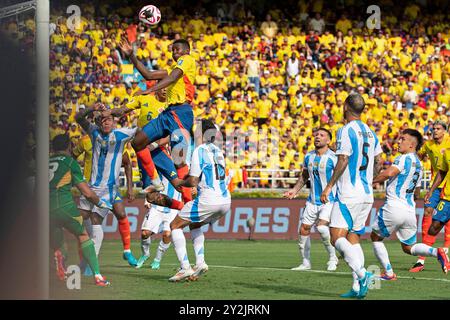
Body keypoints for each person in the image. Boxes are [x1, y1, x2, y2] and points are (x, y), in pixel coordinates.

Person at [147, 119, 231, 282]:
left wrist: (180, 182)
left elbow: (192, 181)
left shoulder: (199, 150)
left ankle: (184, 267)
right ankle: (200, 263)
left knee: (174, 226)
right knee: (194, 224)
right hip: (225, 201)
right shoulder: (218, 152)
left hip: (209, 200)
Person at [119, 36, 195, 205]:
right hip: (168, 113)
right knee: (138, 142)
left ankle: (189, 204)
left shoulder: (188, 60)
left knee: (178, 161)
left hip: (181, 112)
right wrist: (132, 55)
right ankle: (155, 181)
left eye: (178, 50)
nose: (174, 53)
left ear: (186, 51)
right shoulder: (171, 69)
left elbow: (173, 78)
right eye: (173, 50)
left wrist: (151, 90)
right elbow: (147, 74)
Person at [320, 93, 383, 299]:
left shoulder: (346, 130)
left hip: (349, 193)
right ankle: (357, 287)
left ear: (346, 106)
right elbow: (379, 162)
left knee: (336, 237)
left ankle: (364, 275)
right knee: (353, 238)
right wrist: (370, 180)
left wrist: (329, 186)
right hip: (366, 194)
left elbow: (343, 160)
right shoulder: (371, 133)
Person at [370, 129, 450, 280]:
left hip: (393, 206)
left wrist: (369, 182)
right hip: (409, 211)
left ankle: (388, 273)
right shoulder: (419, 165)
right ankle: (437, 251)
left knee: (375, 237)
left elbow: (389, 173)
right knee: (408, 247)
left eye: (402, 139)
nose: (398, 142)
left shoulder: (403, 158)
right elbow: (416, 192)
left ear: (412, 145)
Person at [75, 103, 138, 267]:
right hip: (90, 187)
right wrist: (91, 107)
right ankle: (83, 259)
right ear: (98, 121)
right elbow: (78, 119)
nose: (106, 122)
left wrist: (130, 187)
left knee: (120, 214)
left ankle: (126, 251)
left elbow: (127, 162)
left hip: (109, 189)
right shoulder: (90, 135)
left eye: (109, 119)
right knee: (78, 224)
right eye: (103, 120)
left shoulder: (120, 137)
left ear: (114, 121)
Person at [50, 134, 110, 286]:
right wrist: (100, 203)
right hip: (64, 205)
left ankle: (60, 263)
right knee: (83, 235)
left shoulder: (45, 162)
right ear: (69, 147)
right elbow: (87, 192)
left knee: (58, 241)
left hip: (45, 208)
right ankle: (97, 276)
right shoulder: (70, 163)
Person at [284, 128, 339, 271]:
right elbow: (304, 176)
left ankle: (333, 258)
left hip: (329, 200)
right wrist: (294, 190)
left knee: (321, 227)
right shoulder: (308, 156)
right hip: (312, 200)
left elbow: (340, 178)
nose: (317, 137)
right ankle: (305, 262)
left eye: (322, 135)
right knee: (303, 229)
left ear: (328, 140)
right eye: (316, 135)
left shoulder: (334, 158)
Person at [409, 121, 450, 273]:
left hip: (447, 187)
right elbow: (418, 157)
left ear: (445, 131)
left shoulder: (448, 144)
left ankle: (445, 249)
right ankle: (421, 259)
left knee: (442, 220)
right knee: (427, 212)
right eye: (433, 129)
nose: (435, 131)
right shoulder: (429, 145)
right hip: (438, 185)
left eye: (438, 129)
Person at [136, 173, 182, 270]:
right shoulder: (161, 163)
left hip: (173, 208)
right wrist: (147, 200)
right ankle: (145, 254)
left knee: (167, 235)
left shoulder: (181, 166)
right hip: (157, 206)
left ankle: (157, 260)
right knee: (145, 233)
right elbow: (151, 182)